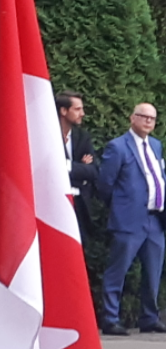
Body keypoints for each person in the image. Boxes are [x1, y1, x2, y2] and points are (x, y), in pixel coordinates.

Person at [97, 103, 166, 336]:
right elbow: (105, 184)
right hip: (129, 219)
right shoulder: (118, 147)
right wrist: (122, 207)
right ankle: (110, 318)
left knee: (153, 272)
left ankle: (149, 318)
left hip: (155, 219)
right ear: (132, 118)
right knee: (117, 271)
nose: (149, 121)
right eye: (144, 117)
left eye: (153, 118)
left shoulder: (156, 146)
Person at [57, 91, 97, 244]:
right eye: (77, 109)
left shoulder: (82, 137)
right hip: (57, 206)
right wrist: (80, 167)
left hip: (80, 207)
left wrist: (66, 166)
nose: (83, 113)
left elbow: (93, 172)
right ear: (64, 111)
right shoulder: (49, 136)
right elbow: (52, 171)